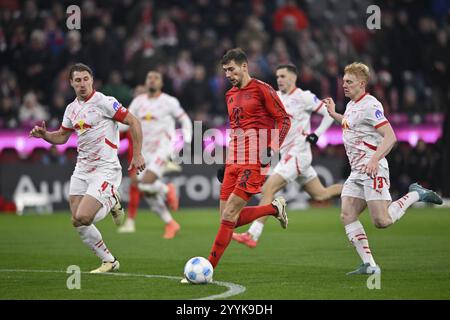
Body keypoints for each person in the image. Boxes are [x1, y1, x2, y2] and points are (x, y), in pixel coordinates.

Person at [182, 48, 292, 283]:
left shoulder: (263, 89)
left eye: (231, 69)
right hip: (234, 158)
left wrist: (271, 149)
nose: (228, 74)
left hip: (255, 160)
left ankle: (208, 268)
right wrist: (226, 160)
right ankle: (273, 209)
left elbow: (284, 120)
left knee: (230, 214)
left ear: (244, 66)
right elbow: (236, 128)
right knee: (226, 217)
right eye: (225, 71)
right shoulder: (230, 94)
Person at [323, 62, 443, 275]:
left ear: (362, 84)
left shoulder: (371, 105)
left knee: (382, 221)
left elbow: (391, 137)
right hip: (357, 171)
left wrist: (374, 159)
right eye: (343, 82)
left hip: (372, 169)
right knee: (347, 214)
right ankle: (370, 265)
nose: (344, 85)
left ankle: (416, 194)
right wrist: (334, 114)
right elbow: (351, 124)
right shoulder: (351, 105)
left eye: (349, 82)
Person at [29, 63, 145, 273]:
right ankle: (109, 261)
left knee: (84, 216)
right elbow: (63, 137)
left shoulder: (105, 102)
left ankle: (111, 200)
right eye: (78, 80)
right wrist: (45, 135)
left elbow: (134, 122)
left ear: (92, 80)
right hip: (82, 169)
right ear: (71, 83)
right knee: (77, 221)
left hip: (105, 168)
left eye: (86, 79)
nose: (82, 84)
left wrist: (137, 154)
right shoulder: (71, 109)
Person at [233, 63, 342, 248]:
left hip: (299, 153)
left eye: (283, 76)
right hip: (287, 155)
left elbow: (329, 114)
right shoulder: (275, 97)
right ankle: (358, 190)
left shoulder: (304, 97)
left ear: (293, 78)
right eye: (277, 76)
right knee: (321, 194)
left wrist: (317, 134)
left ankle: (252, 235)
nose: (279, 80)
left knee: (268, 189)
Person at [118, 71, 192, 239]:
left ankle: (167, 190)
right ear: (145, 82)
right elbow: (124, 124)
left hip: (162, 149)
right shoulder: (138, 102)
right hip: (143, 152)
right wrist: (107, 124)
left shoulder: (169, 102)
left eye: (156, 78)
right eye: (149, 78)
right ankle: (170, 222)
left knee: (144, 185)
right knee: (146, 190)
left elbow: (185, 120)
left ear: (161, 83)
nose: (152, 80)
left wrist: (186, 142)